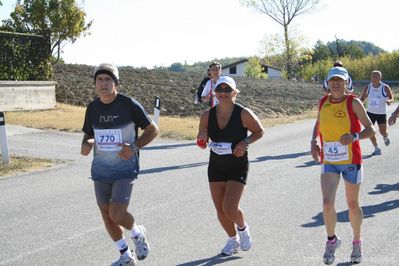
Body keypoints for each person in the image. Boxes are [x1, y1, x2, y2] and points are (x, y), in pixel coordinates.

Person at [81, 63, 159, 266]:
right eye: (100, 80)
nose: (103, 83)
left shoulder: (128, 104)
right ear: (95, 84)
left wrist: (134, 146)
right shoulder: (92, 108)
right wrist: (86, 144)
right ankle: (125, 256)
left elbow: (152, 129)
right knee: (107, 217)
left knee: (117, 213)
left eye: (108, 80)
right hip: (100, 169)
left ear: (116, 84)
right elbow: (89, 133)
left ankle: (137, 232)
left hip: (125, 167)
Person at [311, 67, 375, 265]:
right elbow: (319, 123)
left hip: (350, 162)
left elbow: (371, 129)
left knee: (352, 205)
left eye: (340, 80)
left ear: (347, 82)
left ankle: (357, 242)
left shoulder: (353, 102)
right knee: (327, 203)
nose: (336, 84)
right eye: (332, 81)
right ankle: (332, 240)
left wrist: (355, 136)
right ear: (327, 84)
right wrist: (314, 141)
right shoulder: (323, 102)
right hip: (329, 161)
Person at [197, 76, 264, 256]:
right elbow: (202, 142)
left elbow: (259, 131)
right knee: (220, 210)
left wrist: (245, 142)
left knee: (230, 208)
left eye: (228, 90)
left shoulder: (243, 113)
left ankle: (242, 228)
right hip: (216, 165)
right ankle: (232, 239)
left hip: (237, 164)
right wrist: (202, 139)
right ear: (215, 92)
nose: (223, 93)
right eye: (220, 90)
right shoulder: (207, 115)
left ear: (235, 93)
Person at [360, 70, 394, 155]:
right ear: (371, 78)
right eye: (373, 76)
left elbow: (391, 97)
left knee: (383, 132)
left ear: (380, 78)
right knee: (370, 131)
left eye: (376, 76)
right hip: (370, 113)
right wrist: (361, 103)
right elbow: (362, 99)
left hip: (381, 113)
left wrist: (389, 101)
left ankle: (385, 137)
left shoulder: (384, 87)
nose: (374, 78)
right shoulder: (368, 87)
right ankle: (376, 148)